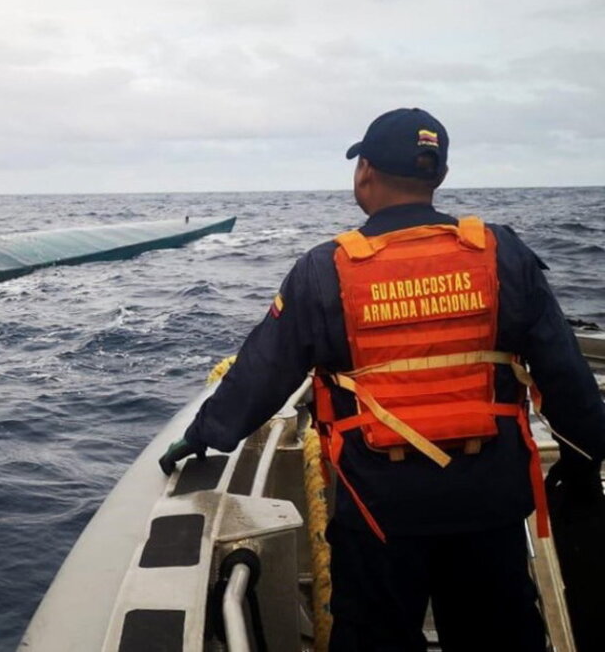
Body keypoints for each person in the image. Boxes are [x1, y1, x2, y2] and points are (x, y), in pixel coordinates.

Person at [159, 107, 605, 651]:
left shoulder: (326, 270)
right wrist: (583, 471)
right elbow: (569, 383)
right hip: (489, 502)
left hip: (376, 508)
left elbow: (260, 375)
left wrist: (203, 433)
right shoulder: (502, 255)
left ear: (364, 171)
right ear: (438, 176)